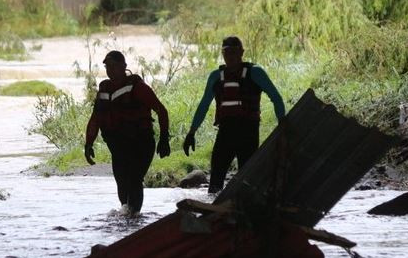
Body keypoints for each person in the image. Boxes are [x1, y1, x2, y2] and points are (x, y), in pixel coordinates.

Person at [183, 36, 285, 193]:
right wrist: (191, 132)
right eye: (226, 52)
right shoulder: (216, 76)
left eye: (234, 52)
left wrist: (282, 125)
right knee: (216, 179)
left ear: (242, 52)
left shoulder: (255, 72)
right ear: (222, 54)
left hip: (249, 133)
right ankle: (214, 212)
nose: (230, 56)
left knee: (247, 180)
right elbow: (204, 105)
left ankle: (244, 209)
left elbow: (276, 98)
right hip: (226, 133)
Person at [85, 50, 170, 215]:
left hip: (141, 143)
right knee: (122, 182)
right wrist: (88, 144)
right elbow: (95, 119)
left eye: (114, 66)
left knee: (134, 179)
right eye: (108, 67)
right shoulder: (104, 89)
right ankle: (126, 216)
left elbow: (162, 111)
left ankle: (134, 216)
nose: (110, 70)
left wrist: (164, 138)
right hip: (118, 147)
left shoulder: (138, 87)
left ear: (124, 66)